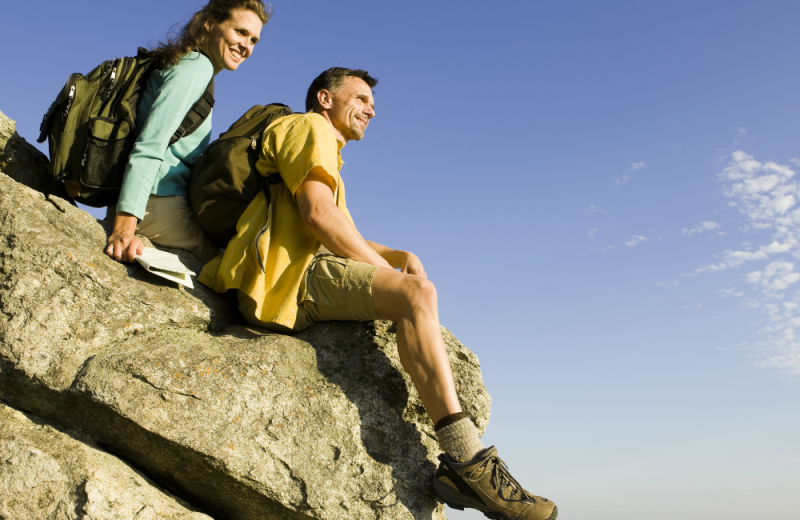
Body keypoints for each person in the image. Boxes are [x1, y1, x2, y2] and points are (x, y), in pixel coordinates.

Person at [199, 67, 558, 520]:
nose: (372, 109)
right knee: (416, 297)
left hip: (294, 273)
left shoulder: (319, 147)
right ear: (325, 99)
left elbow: (335, 224)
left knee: (410, 286)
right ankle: (467, 462)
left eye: (372, 103)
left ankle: (463, 469)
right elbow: (318, 216)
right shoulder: (310, 127)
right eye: (362, 98)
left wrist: (396, 253)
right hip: (285, 281)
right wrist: (394, 278)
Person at [105, 0, 270, 264]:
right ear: (209, 24)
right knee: (227, 268)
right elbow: (150, 145)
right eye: (240, 32)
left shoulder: (192, 65)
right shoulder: (196, 68)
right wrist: (124, 229)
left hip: (151, 202)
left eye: (253, 40)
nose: (246, 46)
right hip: (155, 204)